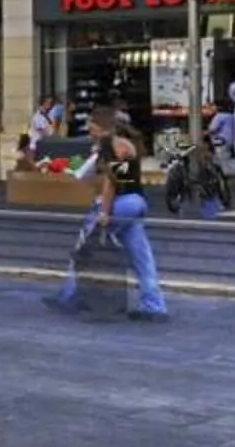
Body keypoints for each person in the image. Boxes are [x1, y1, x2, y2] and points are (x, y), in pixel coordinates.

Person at [50, 123, 168, 319]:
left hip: (120, 203)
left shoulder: (109, 144)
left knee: (84, 247)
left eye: (92, 128)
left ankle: (70, 297)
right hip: (137, 202)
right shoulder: (129, 145)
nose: (90, 133)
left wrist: (104, 212)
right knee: (142, 258)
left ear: (102, 127)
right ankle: (154, 305)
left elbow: (111, 182)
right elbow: (126, 177)